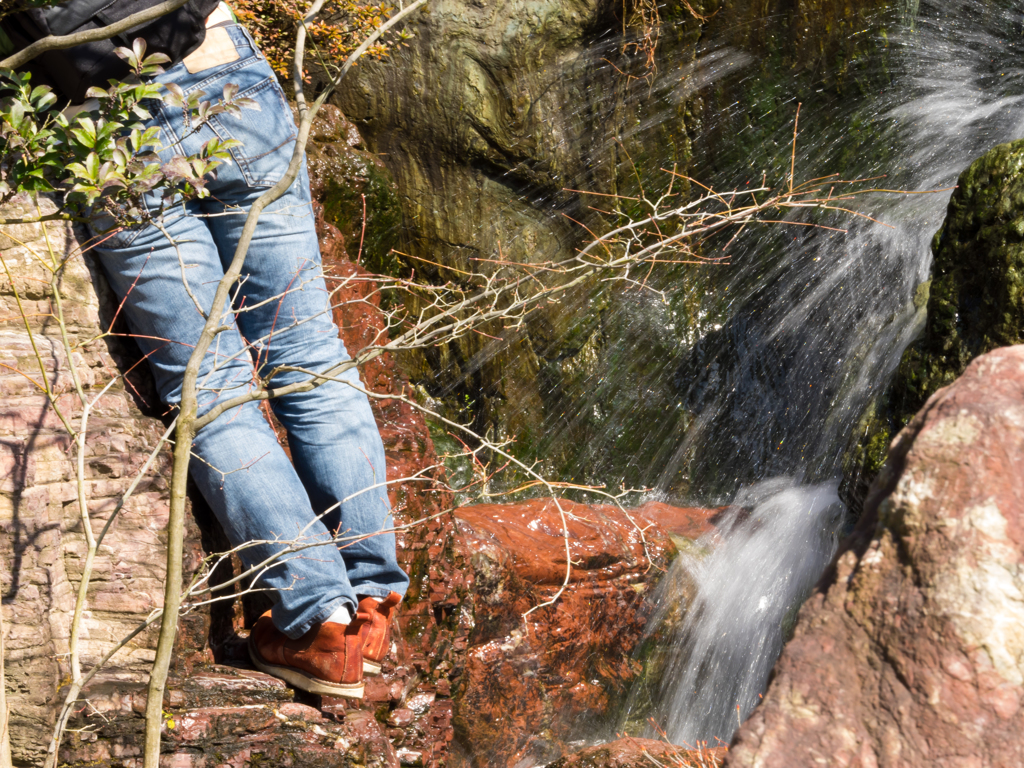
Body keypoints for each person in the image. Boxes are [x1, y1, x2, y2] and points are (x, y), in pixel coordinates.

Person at [2, 1, 408, 699]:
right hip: (223, 71)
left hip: (108, 124)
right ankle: (369, 608)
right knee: (311, 358)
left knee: (210, 388)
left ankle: (318, 621)